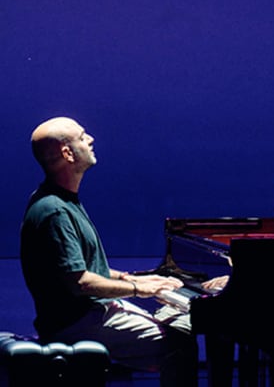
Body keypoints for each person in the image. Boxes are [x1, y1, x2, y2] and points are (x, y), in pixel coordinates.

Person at [20, 116, 228, 386]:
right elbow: (80, 282)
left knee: (179, 318)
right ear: (67, 153)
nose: (91, 139)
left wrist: (134, 279)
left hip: (89, 312)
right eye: (83, 137)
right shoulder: (55, 210)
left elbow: (85, 269)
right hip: (77, 323)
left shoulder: (59, 200)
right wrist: (139, 290)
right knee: (179, 342)